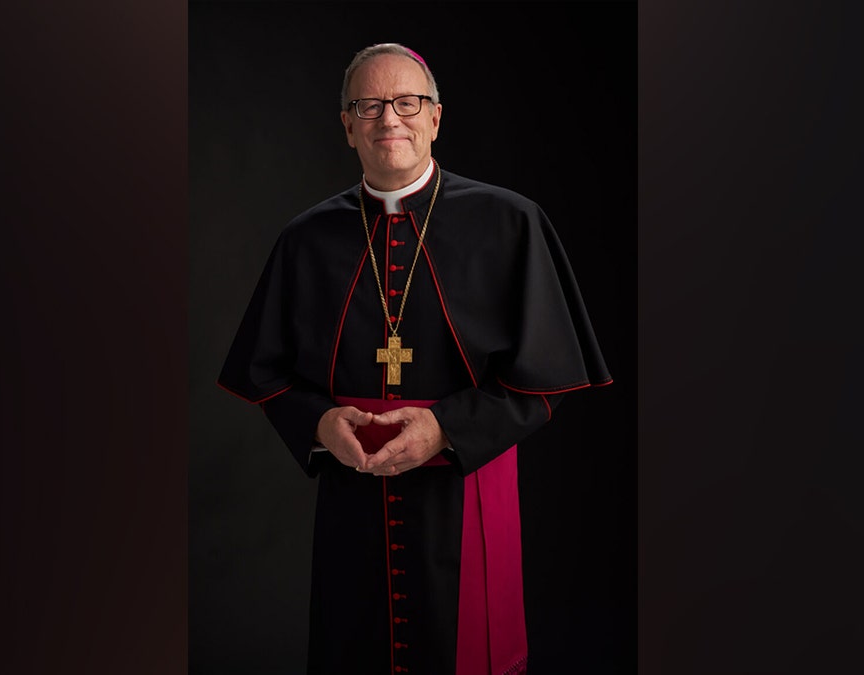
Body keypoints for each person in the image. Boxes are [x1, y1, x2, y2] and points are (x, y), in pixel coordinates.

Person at [218, 42, 611, 675]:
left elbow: (547, 379)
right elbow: (265, 374)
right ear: (347, 126)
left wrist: (446, 429)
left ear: (435, 117)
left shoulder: (511, 222)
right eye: (368, 105)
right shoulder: (306, 239)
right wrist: (319, 424)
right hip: (354, 493)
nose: (389, 119)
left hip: (466, 489)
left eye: (407, 102)